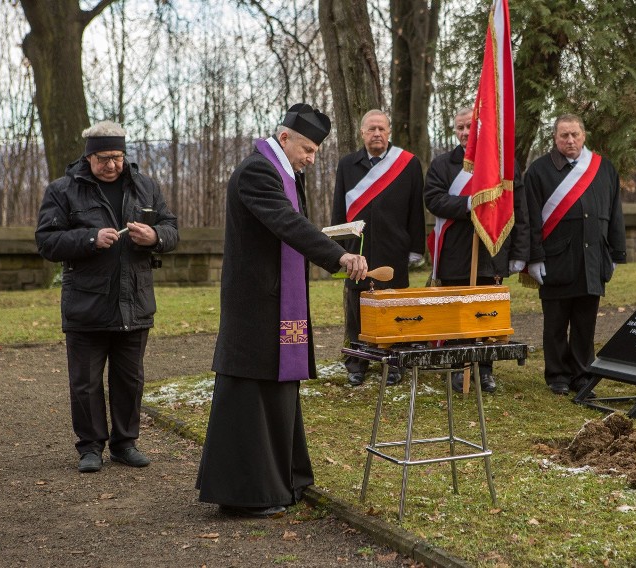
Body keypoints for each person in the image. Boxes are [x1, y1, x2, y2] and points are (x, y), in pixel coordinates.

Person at [197, 104, 368, 518]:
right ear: (285, 137)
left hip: (275, 300)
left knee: (276, 391)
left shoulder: (284, 173)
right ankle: (245, 493)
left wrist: (329, 240)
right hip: (256, 303)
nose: (312, 158)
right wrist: (339, 257)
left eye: (316, 152)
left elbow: (288, 226)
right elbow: (286, 224)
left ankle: (283, 479)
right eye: (307, 149)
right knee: (250, 395)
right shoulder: (258, 171)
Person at [35, 120, 179, 473]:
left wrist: (155, 237)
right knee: (85, 383)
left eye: (116, 157)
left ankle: (125, 443)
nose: (111, 165)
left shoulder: (146, 186)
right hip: (86, 304)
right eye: (103, 158)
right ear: (88, 158)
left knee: (130, 380)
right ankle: (90, 447)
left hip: (135, 301)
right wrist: (89, 239)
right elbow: (46, 241)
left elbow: (173, 230)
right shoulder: (63, 190)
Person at [424, 106, 530, 393]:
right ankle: (460, 368)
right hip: (455, 254)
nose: (465, 133)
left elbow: (518, 210)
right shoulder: (442, 165)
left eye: (470, 127)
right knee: (459, 315)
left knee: (486, 315)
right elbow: (433, 199)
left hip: (491, 252)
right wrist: (468, 204)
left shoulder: (503, 164)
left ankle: (485, 370)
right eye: (460, 127)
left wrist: (519, 253)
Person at [523, 114, 626, 396]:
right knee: (555, 322)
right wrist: (533, 258)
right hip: (554, 258)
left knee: (585, 322)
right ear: (555, 139)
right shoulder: (538, 170)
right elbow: (530, 219)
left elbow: (614, 213)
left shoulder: (603, 168)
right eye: (564, 135)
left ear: (584, 136)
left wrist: (615, 253)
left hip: (592, 257)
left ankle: (583, 374)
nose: (570, 140)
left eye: (575, 135)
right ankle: (557, 374)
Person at [330, 109, 426, 387]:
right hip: (356, 250)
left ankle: (394, 361)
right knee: (356, 306)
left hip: (394, 248)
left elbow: (415, 212)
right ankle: (357, 361)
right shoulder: (347, 165)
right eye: (371, 129)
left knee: (394, 308)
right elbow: (339, 208)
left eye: (382, 129)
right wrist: (336, 249)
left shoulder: (408, 164)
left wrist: (416, 248)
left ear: (389, 132)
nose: (377, 134)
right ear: (362, 133)